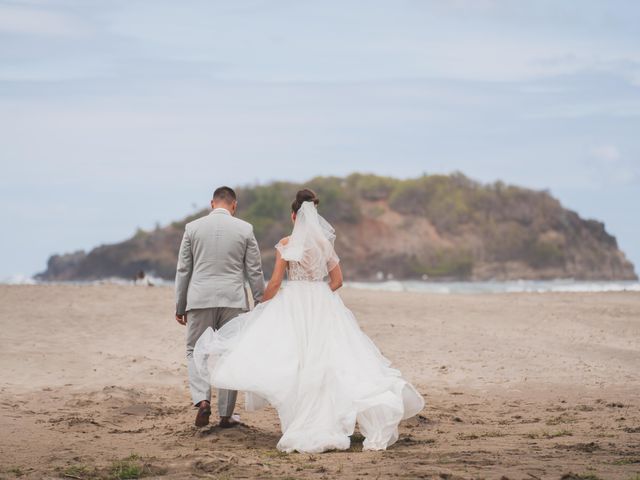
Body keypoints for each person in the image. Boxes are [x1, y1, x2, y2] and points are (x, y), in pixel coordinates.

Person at [193, 188, 424, 452]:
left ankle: (301, 420)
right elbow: (337, 281)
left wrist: (262, 303)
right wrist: (318, 296)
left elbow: (277, 281)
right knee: (330, 361)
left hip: (294, 304)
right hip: (323, 304)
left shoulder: (286, 244)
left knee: (297, 363)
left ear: (294, 216)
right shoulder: (325, 245)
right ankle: (331, 418)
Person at [175, 186, 265, 428]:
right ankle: (225, 415)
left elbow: (184, 270)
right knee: (229, 353)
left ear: (212, 204)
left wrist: (180, 305)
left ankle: (202, 400)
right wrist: (259, 301)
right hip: (233, 300)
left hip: (199, 299)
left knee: (195, 351)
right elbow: (254, 270)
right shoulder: (245, 229)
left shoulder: (192, 228)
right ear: (234, 205)